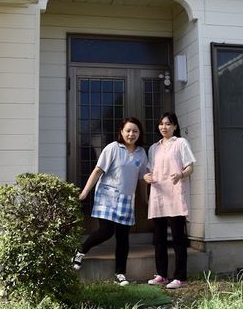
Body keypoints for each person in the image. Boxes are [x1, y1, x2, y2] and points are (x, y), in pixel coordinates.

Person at [73, 117, 148, 286]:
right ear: (121, 132)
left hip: (126, 199)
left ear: (139, 133)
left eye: (135, 131)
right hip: (107, 196)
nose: (131, 134)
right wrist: (85, 192)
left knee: (123, 237)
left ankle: (120, 273)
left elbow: (142, 178)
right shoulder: (113, 148)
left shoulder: (141, 153)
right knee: (106, 231)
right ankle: (81, 251)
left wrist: (145, 199)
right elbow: (98, 171)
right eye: (128, 130)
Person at [144, 112, 196, 289]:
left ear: (175, 126)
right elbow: (150, 170)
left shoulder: (181, 143)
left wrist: (181, 174)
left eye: (168, 124)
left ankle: (180, 277)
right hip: (158, 195)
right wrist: (147, 177)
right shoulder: (154, 148)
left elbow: (190, 167)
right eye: (161, 124)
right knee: (159, 238)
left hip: (175, 194)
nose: (164, 127)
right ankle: (162, 275)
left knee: (178, 238)